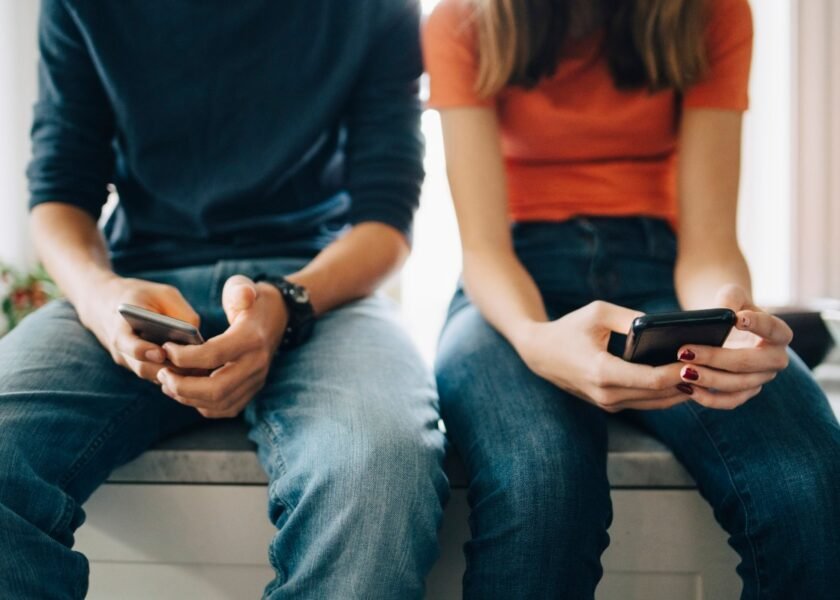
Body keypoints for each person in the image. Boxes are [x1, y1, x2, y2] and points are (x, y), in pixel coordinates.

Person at [0, 1, 448, 597]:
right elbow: (59, 193)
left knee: (379, 469)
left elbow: (387, 220)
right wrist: (101, 298)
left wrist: (288, 302)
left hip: (319, 288)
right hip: (139, 286)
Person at [424, 0, 840, 597]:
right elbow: (486, 251)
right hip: (513, 288)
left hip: (661, 275)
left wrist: (732, 316)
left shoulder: (713, 14)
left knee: (812, 486)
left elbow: (709, 243)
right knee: (543, 484)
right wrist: (536, 339)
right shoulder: (461, 22)